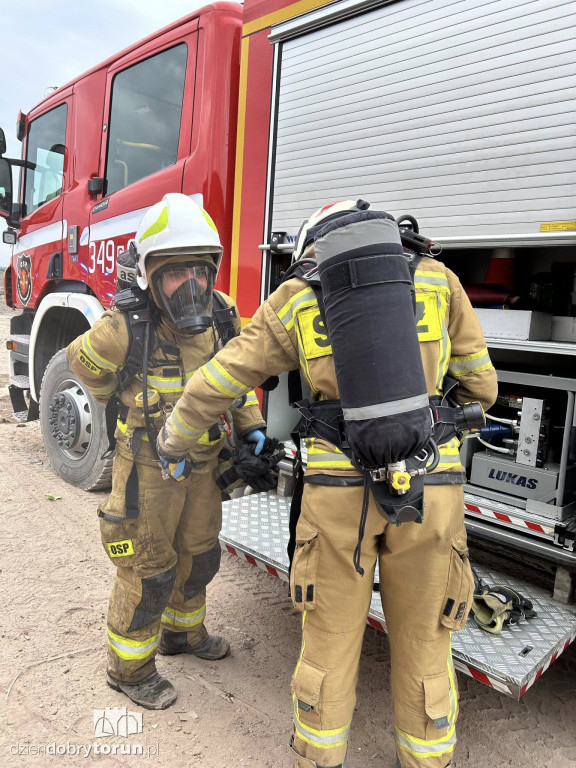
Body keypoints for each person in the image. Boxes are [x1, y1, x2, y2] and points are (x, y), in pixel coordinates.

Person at [156, 200, 498, 767]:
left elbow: (221, 377)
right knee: (425, 641)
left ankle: (318, 757)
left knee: (331, 640)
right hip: (432, 487)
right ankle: (427, 757)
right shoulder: (439, 279)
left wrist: (173, 438)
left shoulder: (298, 295)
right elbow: (481, 388)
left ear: (312, 245)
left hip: (338, 496)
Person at [66, 193, 266, 710]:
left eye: (199, 270)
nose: (191, 284)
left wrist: (252, 428)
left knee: (199, 556)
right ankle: (129, 670)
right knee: (148, 568)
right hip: (149, 468)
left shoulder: (223, 317)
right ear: (150, 276)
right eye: (176, 273)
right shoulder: (124, 325)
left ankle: (183, 634)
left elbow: (236, 384)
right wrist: (126, 398)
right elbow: (83, 368)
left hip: (204, 464)